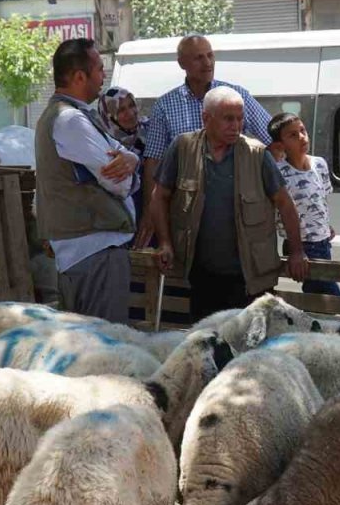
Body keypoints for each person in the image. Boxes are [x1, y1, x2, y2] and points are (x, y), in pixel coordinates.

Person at [144, 86, 309, 322]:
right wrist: (165, 242)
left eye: (240, 118)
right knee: (208, 344)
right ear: (206, 118)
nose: (236, 125)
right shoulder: (183, 148)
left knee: (249, 349)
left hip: (248, 277)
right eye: (228, 119)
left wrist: (297, 251)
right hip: (201, 276)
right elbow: (159, 196)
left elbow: (284, 203)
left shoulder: (257, 154)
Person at [35, 38, 139, 323]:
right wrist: (131, 171)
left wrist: (132, 160)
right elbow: (117, 182)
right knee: (103, 349)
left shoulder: (72, 116)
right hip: (95, 254)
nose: (103, 75)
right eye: (99, 69)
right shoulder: (70, 120)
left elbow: (123, 154)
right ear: (79, 76)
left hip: (88, 253)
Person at [141, 35, 272, 213]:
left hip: (236, 202)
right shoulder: (164, 106)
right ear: (181, 63)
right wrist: (151, 211)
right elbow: (153, 162)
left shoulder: (236, 96)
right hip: (187, 207)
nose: (207, 63)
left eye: (210, 55)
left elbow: (273, 138)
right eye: (199, 58)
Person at [269, 112, 340, 297]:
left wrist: (326, 225)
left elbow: (321, 197)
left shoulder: (319, 164)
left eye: (302, 131)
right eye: (292, 135)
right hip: (301, 245)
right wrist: (296, 251)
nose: (301, 137)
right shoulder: (278, 172)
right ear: (280, 145)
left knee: (317, 298)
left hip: (323, 242)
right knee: (333, 298)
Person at [98, 85, 148, 224]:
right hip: (121, 215)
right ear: (109, 116)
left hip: (154, 209)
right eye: (121, 110)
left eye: (132, 105)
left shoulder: (151, 130)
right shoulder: (103, 144)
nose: (131, 113)